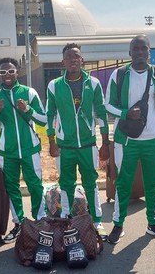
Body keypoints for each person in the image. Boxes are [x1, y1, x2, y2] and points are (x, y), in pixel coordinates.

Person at [105, 34, 155, 244]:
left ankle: (153, 223)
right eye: (136, 49)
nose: (140, 53)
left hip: (154, 139)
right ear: (129, 52)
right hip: (127, 140)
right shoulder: (119, 74)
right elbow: (107, 105)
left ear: (149, 52)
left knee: (153, 182)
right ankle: (118, 225)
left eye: (144, 49)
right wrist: (126, 113)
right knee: (123, 183)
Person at [46, 43, 110, 240]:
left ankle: (97, 221)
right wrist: (52, 140)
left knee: (90, 183)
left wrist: (105, 143)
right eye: (69, 57)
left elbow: (101, 113)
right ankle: (66, 218)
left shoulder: (94, 83)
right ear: (63, 61)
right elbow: (50, 113)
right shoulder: (55, 85)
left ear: (82, 59)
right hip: (65, 145)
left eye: (77, 56)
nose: (73, 60)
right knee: (66, 183)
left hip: (88, 144)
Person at [0, 57, 47, 243]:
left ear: (17, 72)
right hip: (7, 152)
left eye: (11, 71)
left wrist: (27, 108)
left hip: (30, 148)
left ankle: (40, 219)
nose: (7, 75)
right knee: (11, 188)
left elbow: (42, 120)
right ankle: (19, 223)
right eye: (3, 72)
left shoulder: (29, 93)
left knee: (35, 185)